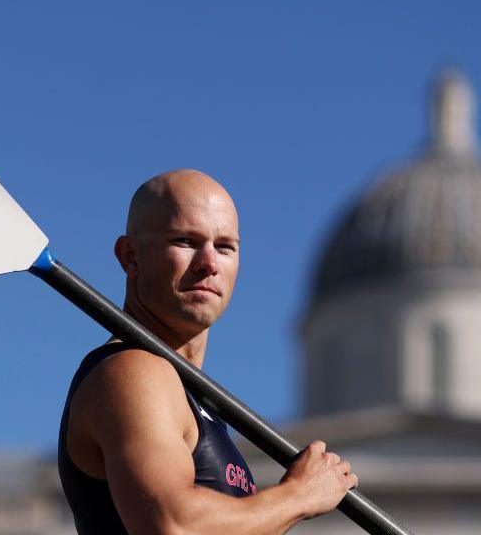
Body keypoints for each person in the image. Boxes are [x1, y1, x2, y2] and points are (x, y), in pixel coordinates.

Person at [58, 169, 357, 535]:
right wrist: (299, 496)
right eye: (185, 241)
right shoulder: (134, 371)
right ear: (130, 256)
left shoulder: (194, 399)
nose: (209, 263)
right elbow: (173, 524)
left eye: (225, 247)